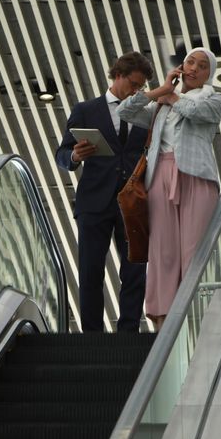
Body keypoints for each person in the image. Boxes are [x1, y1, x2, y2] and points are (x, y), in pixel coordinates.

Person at [117, 47, 221, 330]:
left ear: (208, 74)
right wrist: (160, 90)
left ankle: (194, 318)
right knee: (162, 250)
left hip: (197, 177)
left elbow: (197, 112)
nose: (193, 68)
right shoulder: (161, 103)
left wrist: (173, 97)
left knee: (194, 250)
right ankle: (163, 320)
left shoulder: (216, 99)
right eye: (190, 61)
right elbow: (125, 111)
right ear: (181, 65)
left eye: (202, 66)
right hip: (159, 175)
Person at [55, 51, 155, 332]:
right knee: (90, 271)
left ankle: (128, 332)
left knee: (135, 271)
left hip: (133, 203)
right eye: (133, 84)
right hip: (94, 202)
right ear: (118, 76)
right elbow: (61, 154)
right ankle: (91, 335)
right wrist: (75, 156)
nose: (137, 91)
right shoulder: (86, 109)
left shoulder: (145, 113)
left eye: (141, 87)